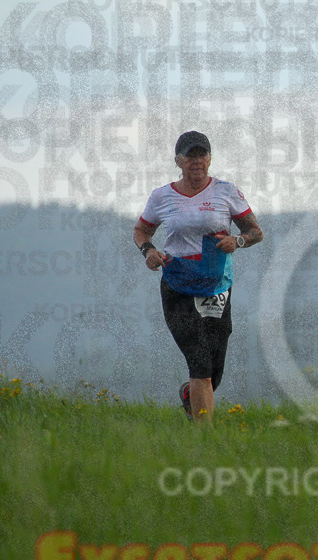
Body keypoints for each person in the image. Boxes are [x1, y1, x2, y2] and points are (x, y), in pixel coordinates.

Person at [133, 131, 263, 421]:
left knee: (214, 369)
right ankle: (204, 438)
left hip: (216, 285)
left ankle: (191, 396)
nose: (197, 161)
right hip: (177, 284)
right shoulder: (162, 196)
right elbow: (142, 230)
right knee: (199, 362)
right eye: (190, 155)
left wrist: (237, 241)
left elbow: (256, 232)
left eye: (202, 155)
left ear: (210, 158)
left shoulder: (226, 191)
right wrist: (149, 251)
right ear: (178, 160)